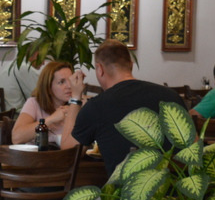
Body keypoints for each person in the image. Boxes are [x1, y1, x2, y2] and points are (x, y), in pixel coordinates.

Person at [69, 40, 178, 173]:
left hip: (124, 185)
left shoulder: (97, 106)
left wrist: (75, 98)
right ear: (131, 65)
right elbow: (193, 146)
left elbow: (69, 152)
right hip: (176, 183)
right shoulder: (171, 96)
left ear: (99, 69)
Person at [12, 60, 86, 145]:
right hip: (37, 153)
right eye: (62, 82)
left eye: (70, 81)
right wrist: (51, 119)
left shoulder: (77, 106)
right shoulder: (34, 103)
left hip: (66, 153)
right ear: (48, 86)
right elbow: (16, 138)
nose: (69, 86)